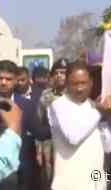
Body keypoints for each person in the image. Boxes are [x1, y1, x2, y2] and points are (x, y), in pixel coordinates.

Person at [48, 62, 111, 190]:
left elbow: (109, 147)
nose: (79, 88)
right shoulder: (58, 106)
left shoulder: (94, 107)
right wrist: (100, 112)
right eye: (75, 84)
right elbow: (73, 137)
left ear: (91, 83)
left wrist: (105, 121)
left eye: (83, 83)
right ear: (67, 84)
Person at [0, 60, 49, 190]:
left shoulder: (26, 105)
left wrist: (57, 126)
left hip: (21, 173)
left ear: (15, 80)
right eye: (0, 78)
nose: (4, 82)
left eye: (8, 79)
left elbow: (39, 132)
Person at [36, 58, 69, 187]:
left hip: (70, 143)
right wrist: (39, 150)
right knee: (50, 179)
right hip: (50, 143)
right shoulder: (46, 95)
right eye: (57, 73)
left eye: (64, 72)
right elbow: (40, 122)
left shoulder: (76, 94)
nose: (60, 76)